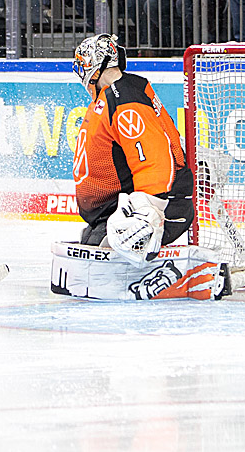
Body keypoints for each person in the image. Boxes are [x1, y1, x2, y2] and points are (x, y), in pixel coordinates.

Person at [56, 33, 228, 301]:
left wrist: (148, 212)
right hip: (113, 210)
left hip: (157, 209)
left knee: (100, 273)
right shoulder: (113, 95)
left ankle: (183, 275)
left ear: (96, 63)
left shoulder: (125, 100)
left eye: (83, 62)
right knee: (89, 249)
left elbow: (154, 160)